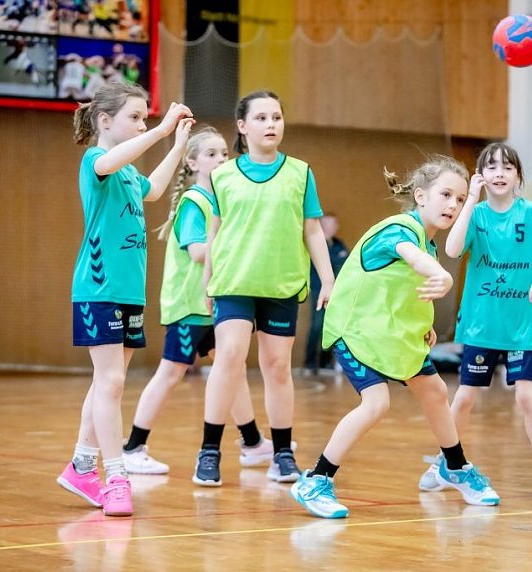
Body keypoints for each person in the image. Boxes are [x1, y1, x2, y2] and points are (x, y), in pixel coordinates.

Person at [290, 156, 500, 519]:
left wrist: (424, 323)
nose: (453, 204)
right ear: (421, 196)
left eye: (461, 199)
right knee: (376, 403)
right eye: (446, 194)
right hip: (355, 331)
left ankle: (454, 466)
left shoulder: (428, 242)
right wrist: (444, 276)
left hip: (389, 335)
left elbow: (402, 287)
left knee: (435, 392)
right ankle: (316, 479)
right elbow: (414, 261)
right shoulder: (399, 230)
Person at [58, 80, 193, 516]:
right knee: (112, 382)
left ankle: (81, 465)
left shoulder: (130, 174)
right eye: (134, 117)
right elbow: (114, 160)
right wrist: (159, 131)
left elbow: (152, 189)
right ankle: (115, 475)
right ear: (104, 120)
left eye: (145, 117)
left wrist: (177, 144)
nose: (142, 124)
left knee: (106, 382)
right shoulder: (96, 161)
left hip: (129, 293)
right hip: (98, 289)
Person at [192, 91, 334, 487]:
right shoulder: (223, 176)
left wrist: (328, 278)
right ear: (243, 126)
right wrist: (207, 280)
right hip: (234, 282)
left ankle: (283, 453)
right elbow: (215, 231)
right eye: (262, 118)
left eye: (277, 117)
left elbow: (312, 229)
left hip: (281, 282)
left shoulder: (301, 173)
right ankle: (209, 451)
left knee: (276, 367)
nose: (271, 124)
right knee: (231, 356)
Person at [121, 127, 277, 475]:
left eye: (224, 153)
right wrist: (238, 247)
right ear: (191, 162)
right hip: (191, 304)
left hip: (213, 303)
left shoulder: (222, 201)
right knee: (171, 372)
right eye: (211, 154)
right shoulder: (196, 202)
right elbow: (196, 253)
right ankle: (132, 447)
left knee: (230, 368)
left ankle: (252, 443)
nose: (221, 159)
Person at [417, 142, 532, 497]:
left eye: (507, 167)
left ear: (518, 176)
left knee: (527, 397)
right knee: (466, 396)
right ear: (481, 175)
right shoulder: (477, 214)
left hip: (521, 324)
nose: (499, 173)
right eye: (491, 167)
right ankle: (447, 462)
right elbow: (452, 249)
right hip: (483, 324)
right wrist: (469, 199)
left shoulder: (530, 213)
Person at [304, 213, 348, 374]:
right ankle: (309, 364)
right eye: (326, 224)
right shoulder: (316, 244)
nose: (329, 228)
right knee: (317, 325)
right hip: (318, 290)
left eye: (332, 225)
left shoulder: (339, 245)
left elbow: (345, 265)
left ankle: (325, 363)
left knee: (331, 327)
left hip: (337, 294)